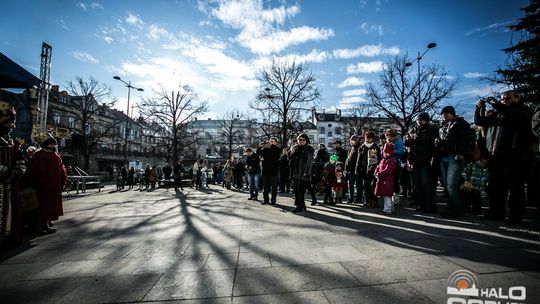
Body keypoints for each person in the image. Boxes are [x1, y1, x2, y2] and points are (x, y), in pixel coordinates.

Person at [474, 91, 535, 224]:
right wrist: (479, 108)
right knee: (496, 187)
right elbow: (480, 121)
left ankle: (516, 216)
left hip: (515, 156)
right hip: (496, 156)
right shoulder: (498, 113)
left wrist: (497, 105)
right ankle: (495, 213)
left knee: (515, 188)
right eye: (502, 99)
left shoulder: (524, 111)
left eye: (508, 98)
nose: (504, 101)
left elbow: (514, 115)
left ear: (517, 98)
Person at [436, 106, 473, 218]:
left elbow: (468, 138)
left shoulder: (460, 123)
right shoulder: (443, 126)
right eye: (442, 114)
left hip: (455, 157)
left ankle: (454, 209)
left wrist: (460, 151)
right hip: (444, 157)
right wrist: (438, 142)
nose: (444, 115)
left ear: (452, 113)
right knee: (448, 185)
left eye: (446, 113)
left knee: (452, 185)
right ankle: (453, 206)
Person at [0, 100, 26, 244]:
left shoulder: (11, 142)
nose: (12, 126)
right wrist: (6, 172)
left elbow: (20, 160)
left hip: (10, 184)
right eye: (10, 122)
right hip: (4, 181)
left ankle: (8, 236)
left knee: (10, 211)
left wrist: (19, 170)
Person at [31, 133, 67, 234]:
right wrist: (38, 182)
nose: (53, 145)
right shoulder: (39, 154)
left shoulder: (56, 154)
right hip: (44, 186)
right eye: (51, 144)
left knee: (50, 206)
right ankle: (40, 227)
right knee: (42, 206)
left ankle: (46, 224)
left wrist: (64, 180)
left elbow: (62, 168)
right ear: (46, 144)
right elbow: (35, 170)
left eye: (54, 144)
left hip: (54, 185)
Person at [404, 112, 439, 213]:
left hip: (426, 160)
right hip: (415, 160)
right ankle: (422, 205)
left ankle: (430, 206)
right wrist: (407, 139)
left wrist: (416, 138)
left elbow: (431, 143)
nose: (418, 121)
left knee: (427, 184)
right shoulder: (414, 129)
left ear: (426, 120)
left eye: (420, 119)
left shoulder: (432, 129)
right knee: (418, 184)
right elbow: (409, 144)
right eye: (417, 119)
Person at [289, 133, 315, 212]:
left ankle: (299, 206)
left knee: (300, 190)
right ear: (297, 140)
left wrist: (306, 172)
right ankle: (302, 205)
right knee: (296, 190)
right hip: (296, 172)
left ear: (306, 140)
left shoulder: (309, 149)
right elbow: (290, 161)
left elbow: (309, 162)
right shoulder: (296, 148)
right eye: (300, 139)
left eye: (304, 140)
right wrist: (291, 153)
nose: (301, 141)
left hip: (304, 173)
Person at [359, 131, 381, 208]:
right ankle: (367, 200)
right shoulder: (362, 147)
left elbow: (379, 159)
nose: (367, 139)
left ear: (372, 139)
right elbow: (359, 160)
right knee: (365, 186)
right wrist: (357, 169)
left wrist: (378, 169)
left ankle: (374, 201)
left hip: (373, 169)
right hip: (364, 168)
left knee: (373, 186)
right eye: (366, 138)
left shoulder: (375, 147)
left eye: (369, 138)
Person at [375, 144, 398, 216]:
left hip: (388, 180)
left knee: (387, 195)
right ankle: (391, 208)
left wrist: (379, 173)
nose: (385, 154)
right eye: (384, 152)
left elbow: (388, 170)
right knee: (386, 195)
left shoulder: (391, 160)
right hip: (383, 180)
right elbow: (378, 167)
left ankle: (387, 209)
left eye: (387, 152)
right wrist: (376, 172)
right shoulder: (383, 160)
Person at [384, 129, 405, 205]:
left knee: (395, 181)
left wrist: (392, 151)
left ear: (392, 136)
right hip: (387, 163)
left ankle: (396, 197)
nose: (387, 138)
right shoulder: (388, 141)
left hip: (396, 163)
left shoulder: (399, 141)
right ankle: (389, 197)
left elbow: (401, 152)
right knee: (388, 181)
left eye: (388, 136)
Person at [259, 138, 281, 205]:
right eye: (270, 141)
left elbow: (276, 154)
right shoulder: (265, 149)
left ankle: (273, 200)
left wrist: (271, 146)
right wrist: (260, 147)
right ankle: (266, 200)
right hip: (265, 171)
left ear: (276, 143)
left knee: (274, 187)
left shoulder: (277, 149)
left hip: (273, 171)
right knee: (265, 187)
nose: (270, 143)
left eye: (272, 141)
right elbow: (259, 154)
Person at [345, 135, 363, 204]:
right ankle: (351, 198)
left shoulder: (360, 148)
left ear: (356, 141)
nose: (351, 142)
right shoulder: (350, 149)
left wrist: (359, 169)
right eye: (351, 141)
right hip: (350, 171)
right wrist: (346, 169)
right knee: (350, 186)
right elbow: (347, 160)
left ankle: (359, 198)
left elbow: (360, 160)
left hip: (357, 171)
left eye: (352, 140)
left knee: (359, 186)